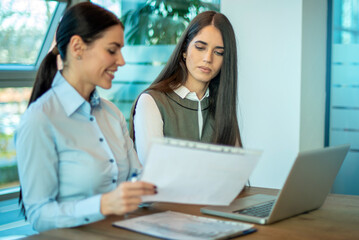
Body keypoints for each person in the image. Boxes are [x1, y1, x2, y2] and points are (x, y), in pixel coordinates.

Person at [15, 2, 156, 232]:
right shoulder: (40, 119)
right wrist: (103, 204)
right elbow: (39, 215)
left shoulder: (112, 114)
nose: (121, 61)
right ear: (77, 47)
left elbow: (137, 177)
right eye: (112, 50)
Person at [130, 11, 242, 165]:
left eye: (218, 52)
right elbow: (153, 170)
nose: (208, 58)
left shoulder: (222, 106)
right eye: (200, 47)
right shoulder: (152, 102)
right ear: (184, 50)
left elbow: (235, 171)